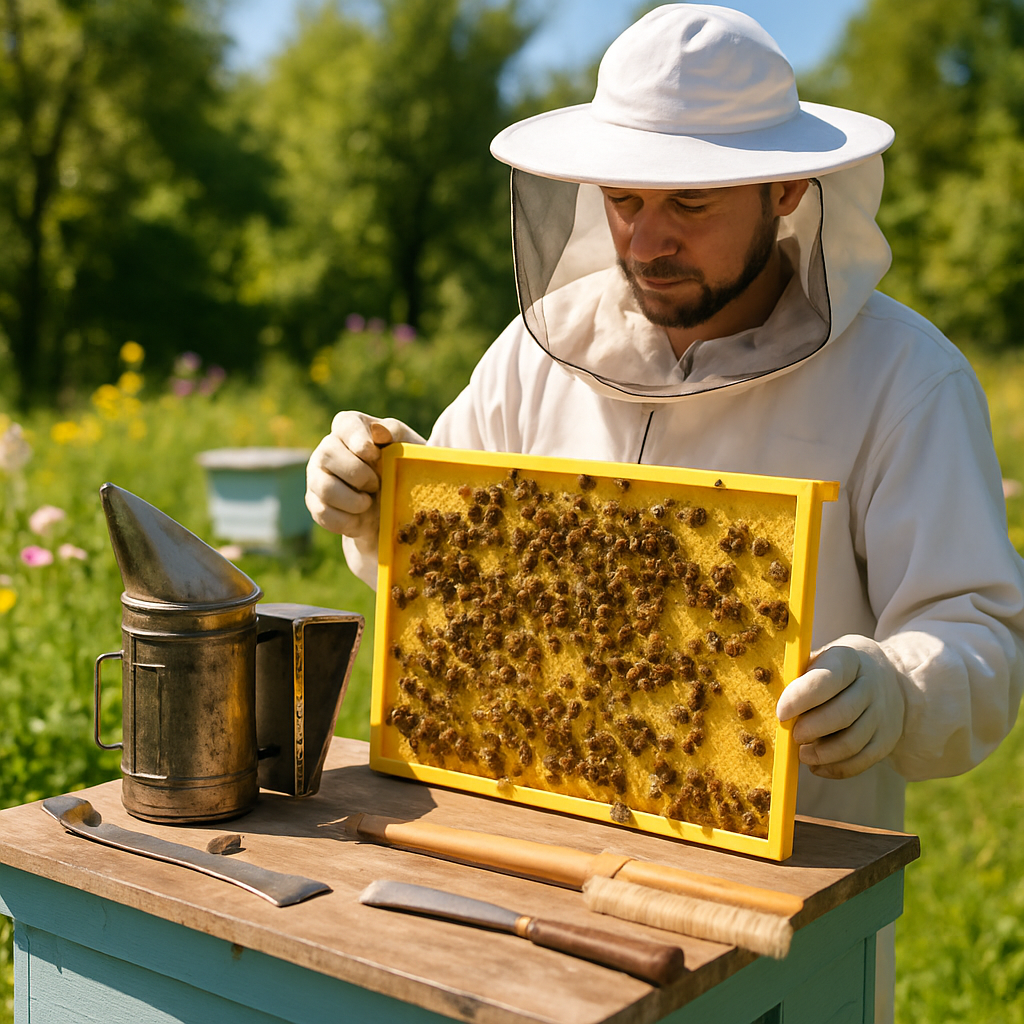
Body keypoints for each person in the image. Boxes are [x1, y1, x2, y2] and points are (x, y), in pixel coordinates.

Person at [306, 6, 1024, 1018]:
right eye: (625, 198)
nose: (645, 239)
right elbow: (451, 573)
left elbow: (980, 634)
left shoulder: (902, 377)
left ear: (785, 189)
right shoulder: (535, 346)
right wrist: (373, 509)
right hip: (530, 871)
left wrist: (900, 687)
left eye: (688, 200)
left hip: (768, 905)